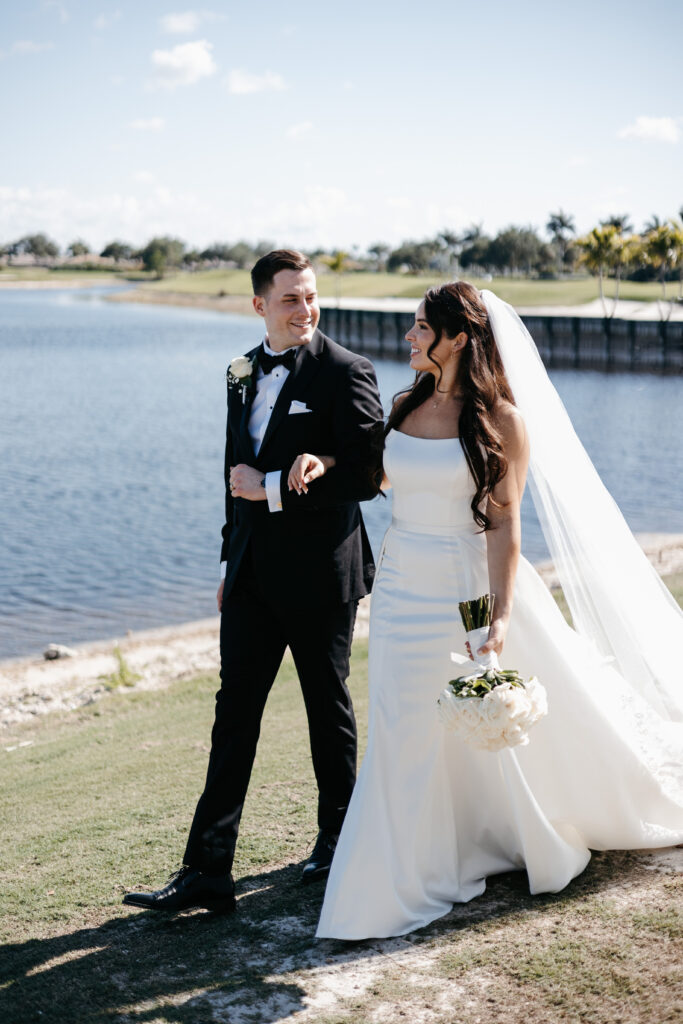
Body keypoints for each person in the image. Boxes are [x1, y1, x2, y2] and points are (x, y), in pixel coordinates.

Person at [306, 281, 683, 940]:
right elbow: (385, 480)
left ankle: (501, 832)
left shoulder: (503, 421)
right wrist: (325, 458)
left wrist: (499, 616)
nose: (408, 337)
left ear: (456, 338)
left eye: (421, 327)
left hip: (461, 589)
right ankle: (401, 862)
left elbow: (504, 528)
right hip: (397, 590)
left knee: (464, 720)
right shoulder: (401, 406)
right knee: (399, 725)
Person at [123, 249, 384, 915]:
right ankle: (208, 871)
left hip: (322, 577)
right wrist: (223, 563)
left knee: (327, 712)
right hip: (247, 579)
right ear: (258, 305)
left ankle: (338, 841)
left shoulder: (346, 372)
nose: (305, 309)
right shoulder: (240, 372)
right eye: (290, 298)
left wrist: (271, 488)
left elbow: (366, 476)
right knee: (231, 719)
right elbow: (229, 475)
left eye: (310, 296)